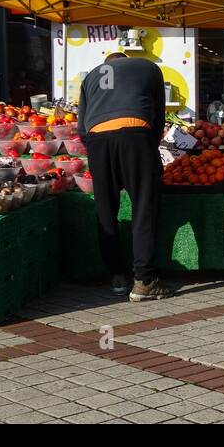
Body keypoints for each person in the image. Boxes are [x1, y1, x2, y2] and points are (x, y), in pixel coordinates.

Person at [78, 52, 173, 301]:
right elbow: (158, 115)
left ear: (107, 64)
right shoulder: (149, 67)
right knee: (143, 206)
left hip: (98, 140)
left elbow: (82, 129)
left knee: (105, 208)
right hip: (135, 135)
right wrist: (149, 152)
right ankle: (144, 280)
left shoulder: (90, 78)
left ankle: (117, 276)